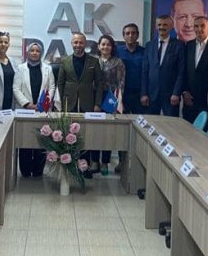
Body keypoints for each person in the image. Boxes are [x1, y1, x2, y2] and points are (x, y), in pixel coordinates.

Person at [13, 42, 59, 177]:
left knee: (41, 139)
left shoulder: (48, 68)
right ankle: (25, 170)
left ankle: (38, 170)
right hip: (25, 110)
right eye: (32, 50)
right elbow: (16, 88)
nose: (34, 53)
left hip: (42, 110)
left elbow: (52, 87)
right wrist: (27, 104)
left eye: (37, 51)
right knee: (25, 139)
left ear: (41, 53)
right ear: (28, 52)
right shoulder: (20, 68)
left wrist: (44, 104)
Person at [91, 34, 125, 174]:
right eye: (103, 44)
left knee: (107, 132)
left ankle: (105, 162)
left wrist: (118, 102)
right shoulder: (93, 60)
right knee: (94, 131)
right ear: (99, 46)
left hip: (110, 98)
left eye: (108, 44)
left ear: (112, 47)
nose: (105, 47)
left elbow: (121, 83)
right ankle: (94, 161)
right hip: (94, 98)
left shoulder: (118, 62)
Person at [141, 15, 184, 117]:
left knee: (171, 123)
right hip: (151, 94)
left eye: (165, 25)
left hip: (170, 95)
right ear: (156, 26)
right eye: (159, 24)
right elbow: (145, 71)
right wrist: (143, 93)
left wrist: (176, 93)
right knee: (150, 123)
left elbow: (181, 72)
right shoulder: (149, 45)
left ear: (171, 26)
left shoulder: (179, 45)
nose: (162, 27)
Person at [57, 32, 105, 113]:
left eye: (81, 42)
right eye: (75, 42)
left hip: (88, 103)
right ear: (71, 43)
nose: (78, 45)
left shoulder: (94, 61)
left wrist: (98, 104)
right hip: (68, 103)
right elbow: (60, 83)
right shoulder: (65, 61)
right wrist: (60, 103)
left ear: (85, 44)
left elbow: (99, 83)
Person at [182, 15, 208, 123]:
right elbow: (184, 71)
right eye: (196, 26)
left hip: (207, 101)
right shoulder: (189, 45)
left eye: (202, 26)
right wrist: (184, 92)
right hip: (189, 100)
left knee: (204, 131)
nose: (199, 29)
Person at [115, 23, 145, 114]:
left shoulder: (145, 51)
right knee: (122, 119)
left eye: (133, 33)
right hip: (123, 93)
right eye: (127, 33)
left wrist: (145, 93)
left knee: (140, 120)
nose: (130, 35)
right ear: (123, 36)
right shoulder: (117, 51)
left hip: (139, 94)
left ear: (137, 35)